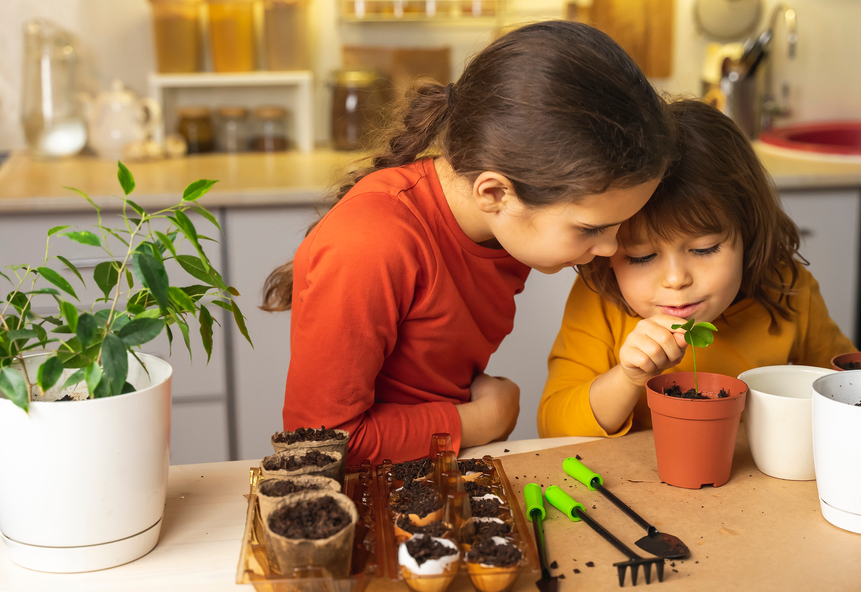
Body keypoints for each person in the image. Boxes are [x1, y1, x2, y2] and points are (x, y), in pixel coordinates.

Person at [261, 21, 675, 465]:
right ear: (495, 193)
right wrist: (484, 419)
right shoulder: (369, 244)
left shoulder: (503, 226)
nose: (612, 249)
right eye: (592, 229)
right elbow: (318, 444)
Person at [538, 98, 857, 439]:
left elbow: (851, 390)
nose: (677, 280)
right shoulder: (598, 299)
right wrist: (628, 377)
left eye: (704, 249)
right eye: (642, 257)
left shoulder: (789, 289)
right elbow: (553, 426)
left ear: (747, 232)